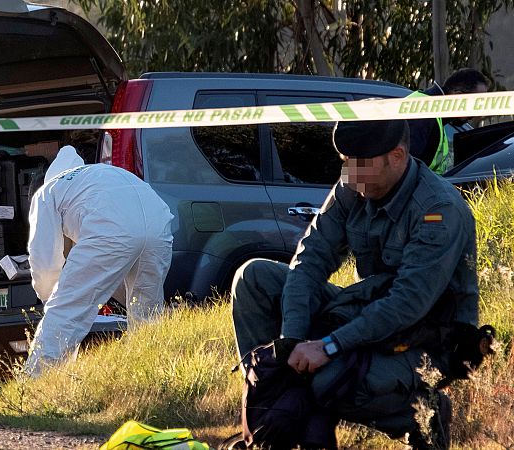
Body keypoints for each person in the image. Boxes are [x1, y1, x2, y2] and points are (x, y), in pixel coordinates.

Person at [231, 119, 479, 447]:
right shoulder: (354, 183)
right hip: (367, 313)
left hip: (429, 338)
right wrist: (291, 343)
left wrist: (330, 345)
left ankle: (425, 410)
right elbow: (310, 261)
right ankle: (274, 414)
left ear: (397, 155)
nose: (351, 173)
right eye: (346, 162)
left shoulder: (438, 208)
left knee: (330, 381)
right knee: (254, 278)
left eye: (361, 164)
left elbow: (407, 303)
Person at [24, 146, 174, 376]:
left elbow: (43, 262)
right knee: (147, 312)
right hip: (159, 226)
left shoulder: (47, 192)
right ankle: (153, 377)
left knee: (64, 311)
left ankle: (36, 386)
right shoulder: (101, 174)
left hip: (112, 229)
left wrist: (50, 297)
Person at [407, 68, 489, 174]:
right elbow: (408, 171)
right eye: (476, 105)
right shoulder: (424, 112)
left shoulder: (431, 111)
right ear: (458, 96)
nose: (476, 114)